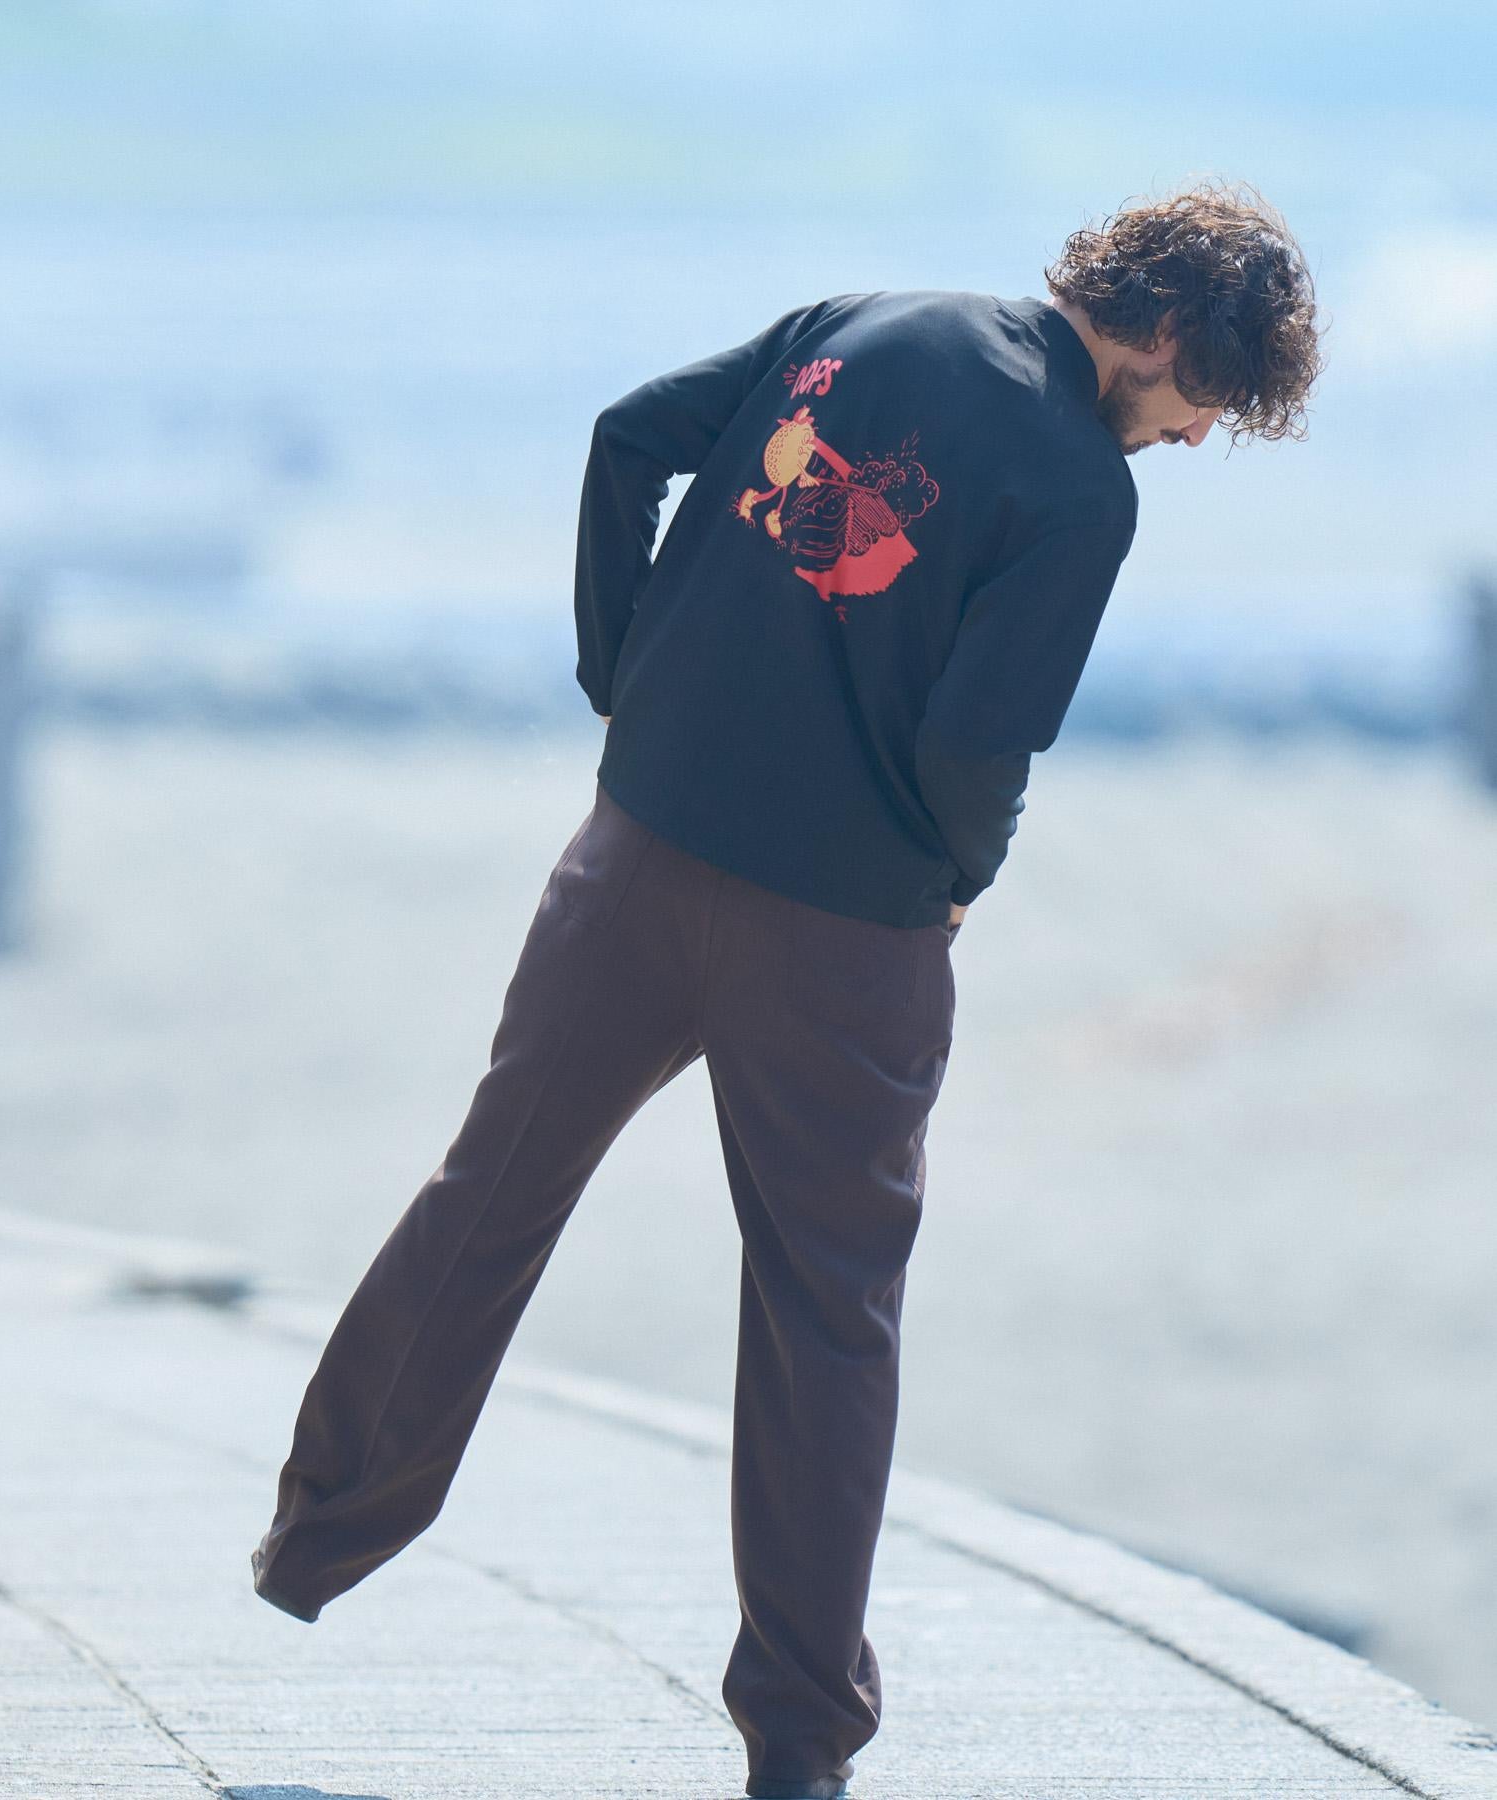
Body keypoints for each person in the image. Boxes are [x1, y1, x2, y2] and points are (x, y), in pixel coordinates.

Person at [251, 175, 1323, 1800]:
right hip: (843, 937)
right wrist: (957, 884)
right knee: (827, 1315)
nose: (1196, 434)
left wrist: (624, 677)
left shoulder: (860, 321)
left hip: (638, 856)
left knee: (493, 1191)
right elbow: (980, 741)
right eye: (1211, 399)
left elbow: (628, 437)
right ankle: (800, 1746)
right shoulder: (1082, 489)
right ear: (1167, 326)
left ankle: (316, 1536)